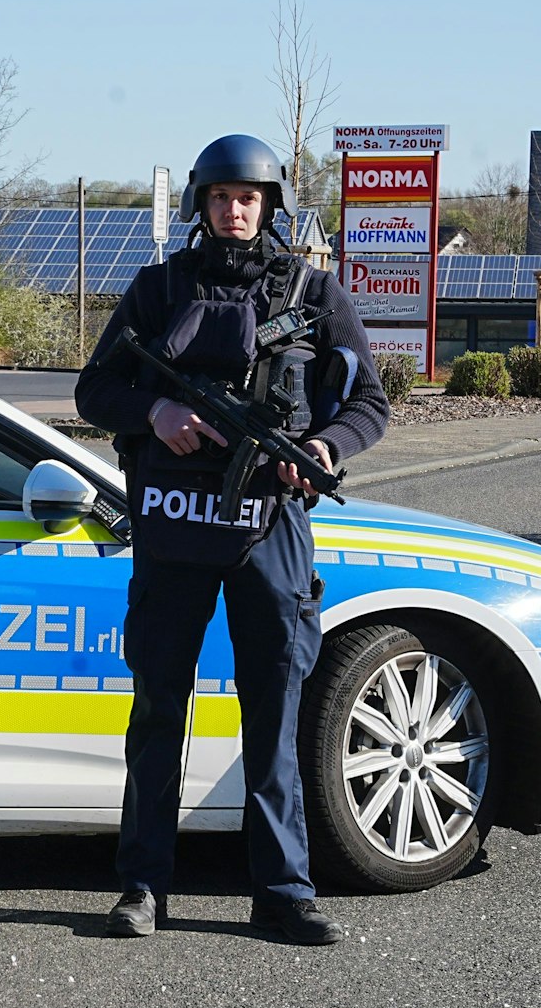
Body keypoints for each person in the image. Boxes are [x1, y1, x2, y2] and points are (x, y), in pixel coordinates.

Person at [75, 134, 390, 945]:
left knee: (276, 714)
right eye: (221, 198)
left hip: (271, 530)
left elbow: (369, 405)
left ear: (270, 206)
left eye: (248, 198)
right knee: (157, 714)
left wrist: (323, 449)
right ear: (201, 206)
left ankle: (283, 891)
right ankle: (142, 888)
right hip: (174, 529)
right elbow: (95, 386)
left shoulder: (314, 293)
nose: (235, 210)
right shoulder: (159, 288)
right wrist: (156, 413)